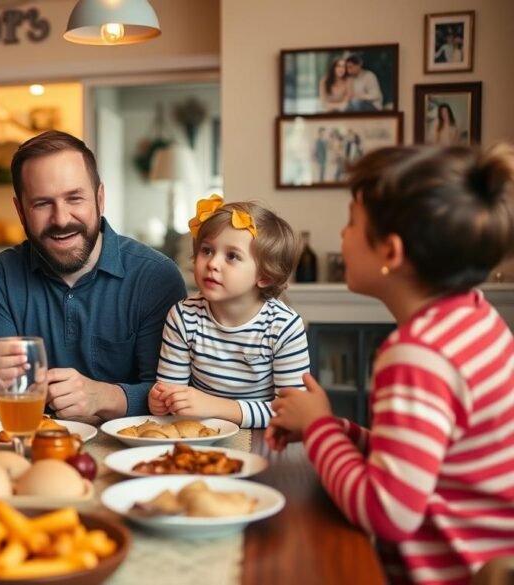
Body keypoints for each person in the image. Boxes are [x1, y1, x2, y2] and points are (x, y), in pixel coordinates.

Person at [267, 144, 514, 583]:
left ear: (391, 253)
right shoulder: (475, 318)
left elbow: (386, 512)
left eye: (351, 223)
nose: (341, 236)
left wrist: (321, 427)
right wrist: (333, 428)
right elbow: (417, 457)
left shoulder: (418, 355)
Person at [0, 131, 187, 420]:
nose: (61, 219)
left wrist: (103, 396)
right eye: (42, 203)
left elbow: (174, 395)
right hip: (29, 448)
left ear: (100, 198)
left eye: (74, 198)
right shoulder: (1, 275)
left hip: (135, 454)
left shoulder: (155, 276)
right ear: (20, 211)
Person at [148, 196, 308, 428]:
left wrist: (216, 406)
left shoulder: (284, 327)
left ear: (265, 276)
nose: (213, 263)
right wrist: (161, 401)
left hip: (263, 439)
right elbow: (171, 395)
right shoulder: (183, 316)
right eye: (207, 250)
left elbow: (291, 414)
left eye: (232, 256)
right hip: (201, 432)